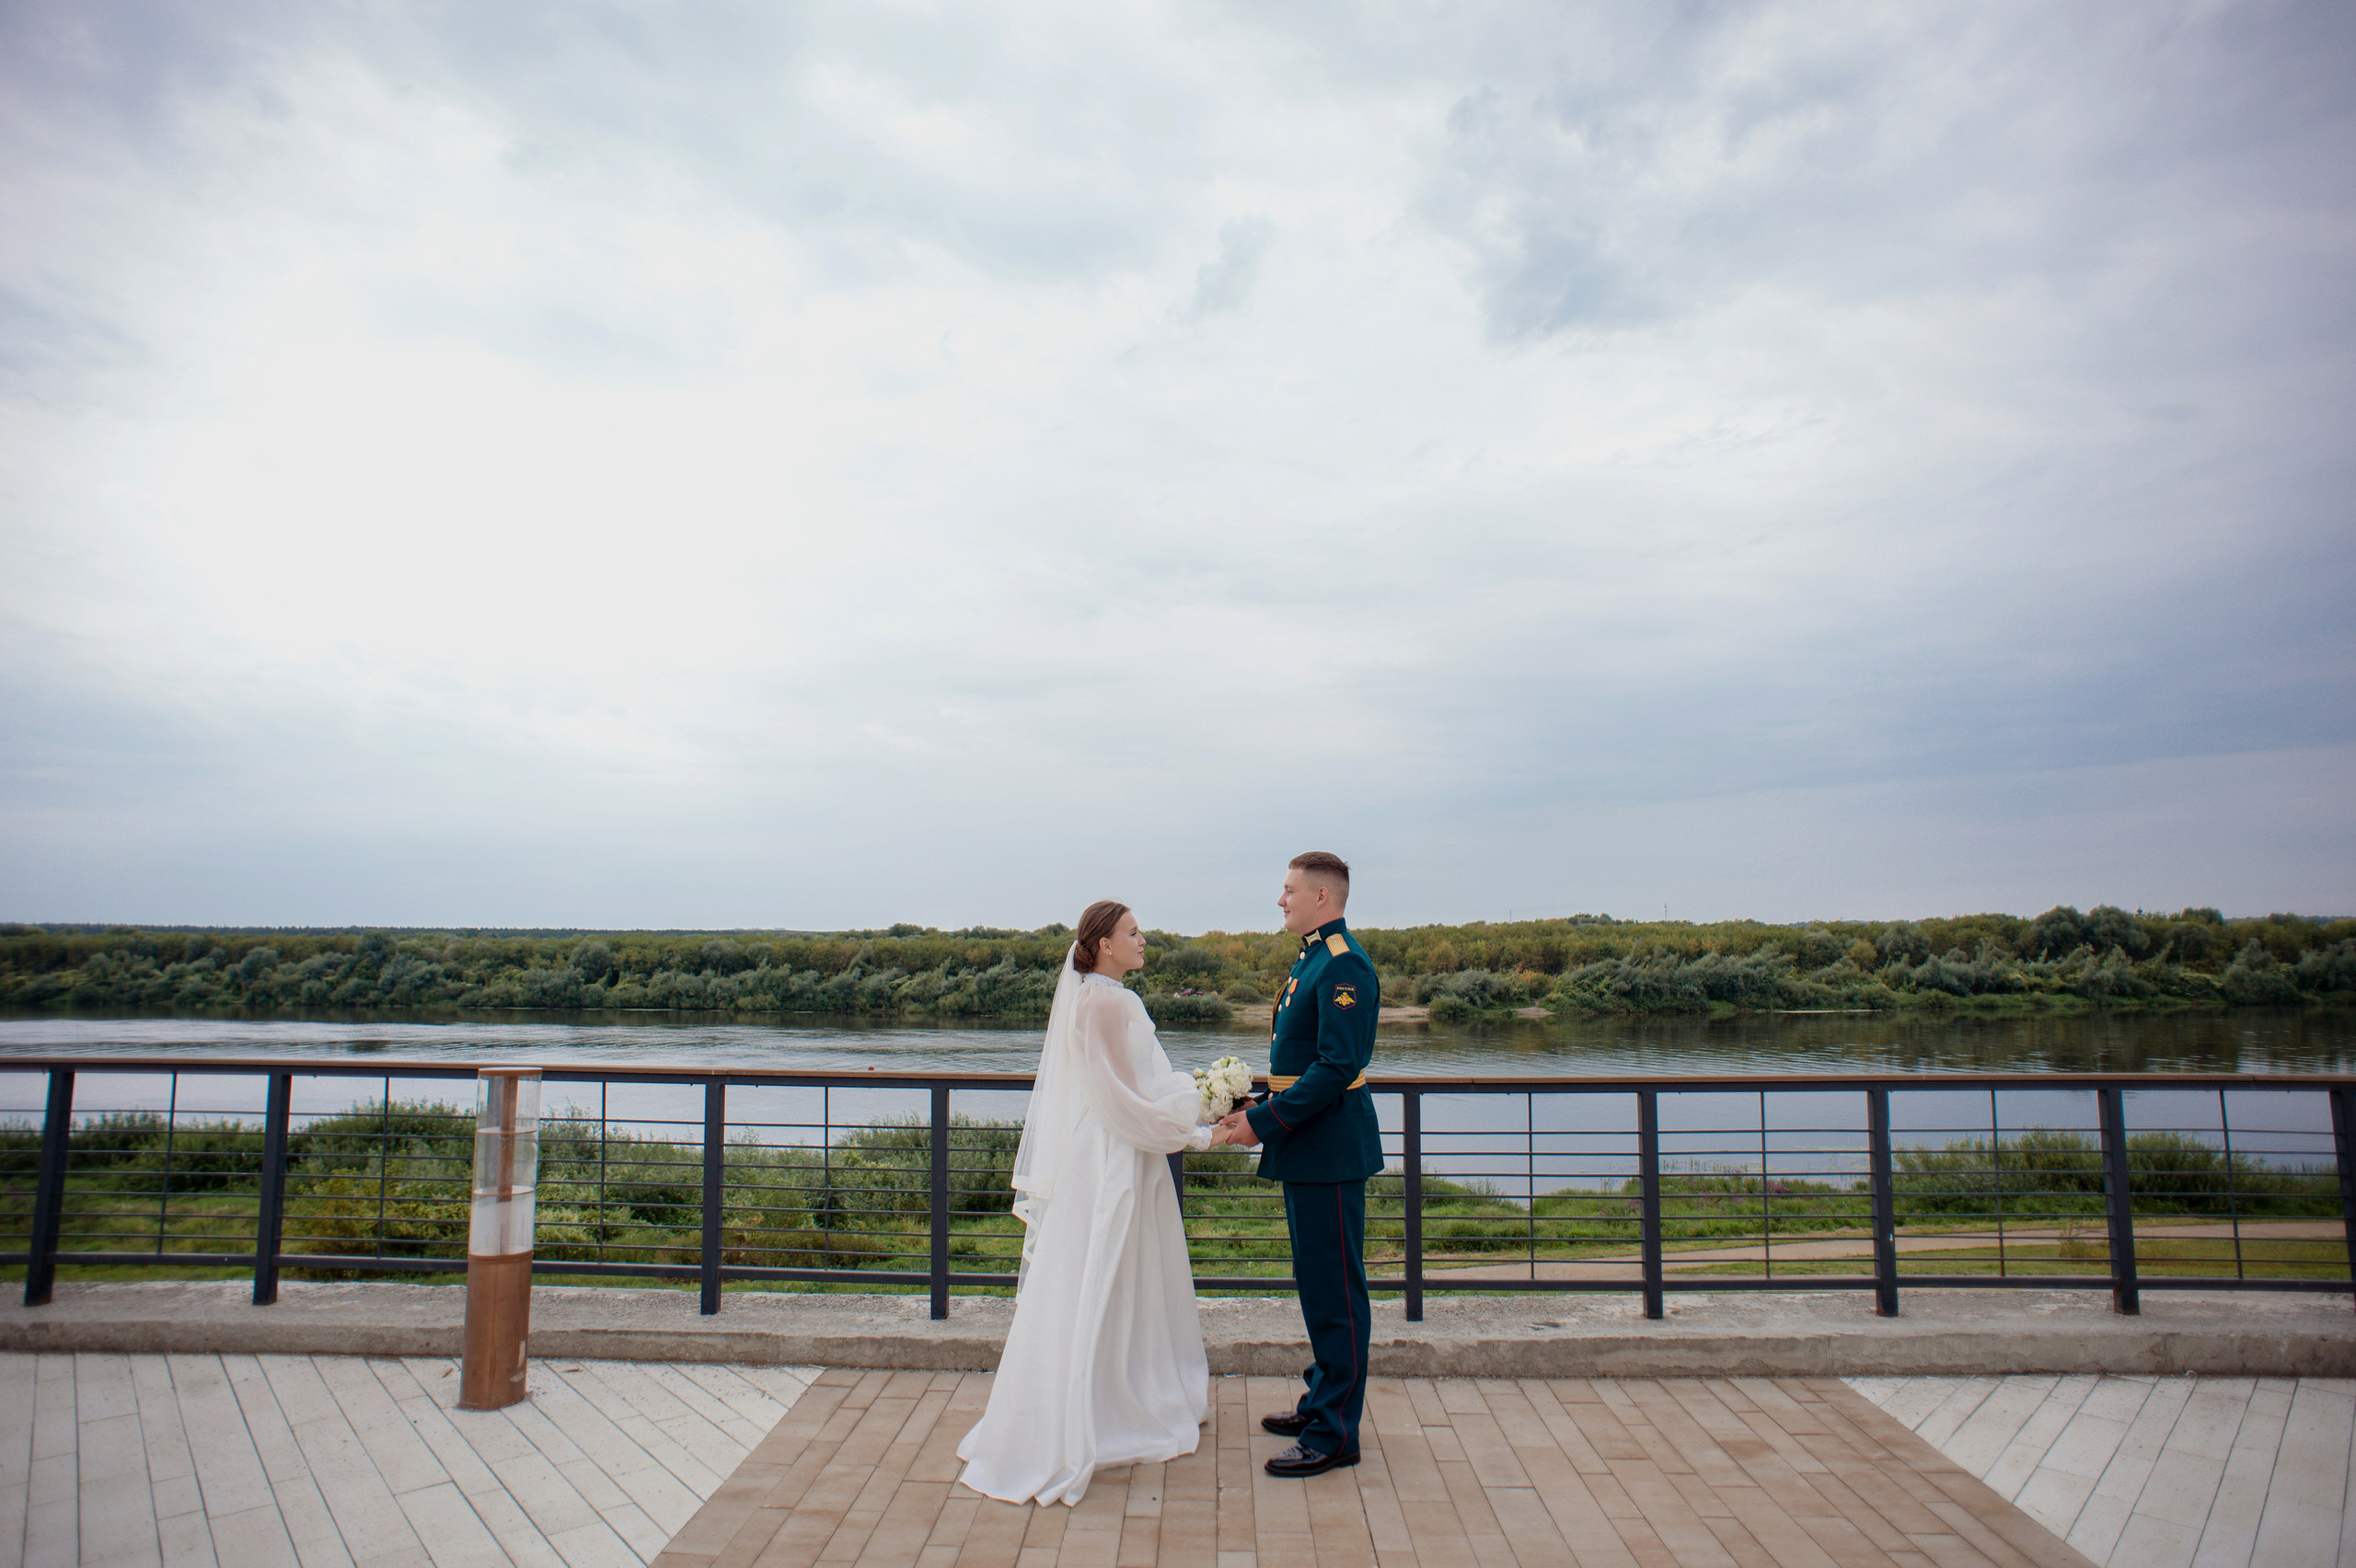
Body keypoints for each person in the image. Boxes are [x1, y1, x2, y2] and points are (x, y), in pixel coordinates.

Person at [955, 899, 1246, 1505]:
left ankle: (1105, 1393)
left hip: (1109, 1148)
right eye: (1133, 933)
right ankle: (1107, 1407)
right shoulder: (1108, 1002)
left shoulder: (1097, 997)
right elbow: (1122, 1100)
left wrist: (1196, 1102)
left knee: (1101, 1274)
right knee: (1114, 1272)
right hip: (1116, 1158)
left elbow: (1132, 1090)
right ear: (1106, 945)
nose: (1143, 940)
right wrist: (1197, 1133)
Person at [1213, 851, 1381, 1478]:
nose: (1280, 900)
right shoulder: (1313, 958)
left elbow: (1336, 1069)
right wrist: (1257, 1105)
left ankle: (1335, 1434)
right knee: (1317, 1283)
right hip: (1308, 1145)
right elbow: (1301, 1067)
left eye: (1288, 890)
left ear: (1321, 896)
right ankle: (1320, 1403)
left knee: (1336, 1292)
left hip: (1329, 1149)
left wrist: (1262, 1125)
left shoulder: (1343, 964)